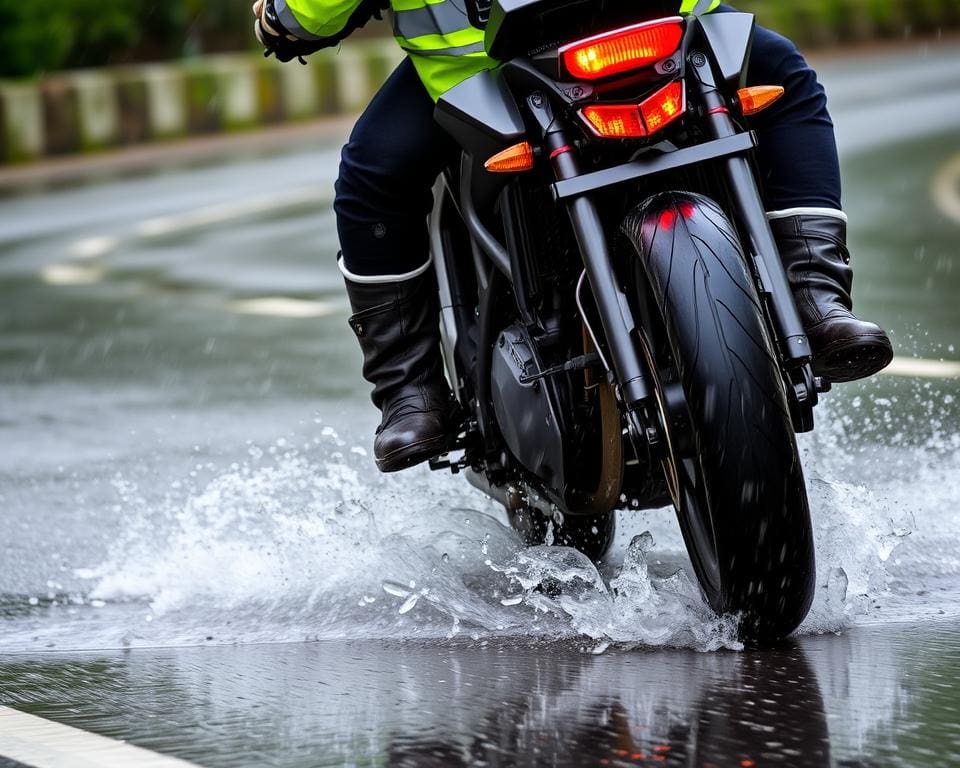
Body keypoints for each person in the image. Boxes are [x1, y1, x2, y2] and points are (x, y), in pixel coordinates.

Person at [253, 0, 894, 472]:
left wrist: (284, 16)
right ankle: (814, 300)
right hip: (664, 33)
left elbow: (312, 11)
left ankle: (411, 393)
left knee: (373, 180)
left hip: (489, 78)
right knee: (789, 84)